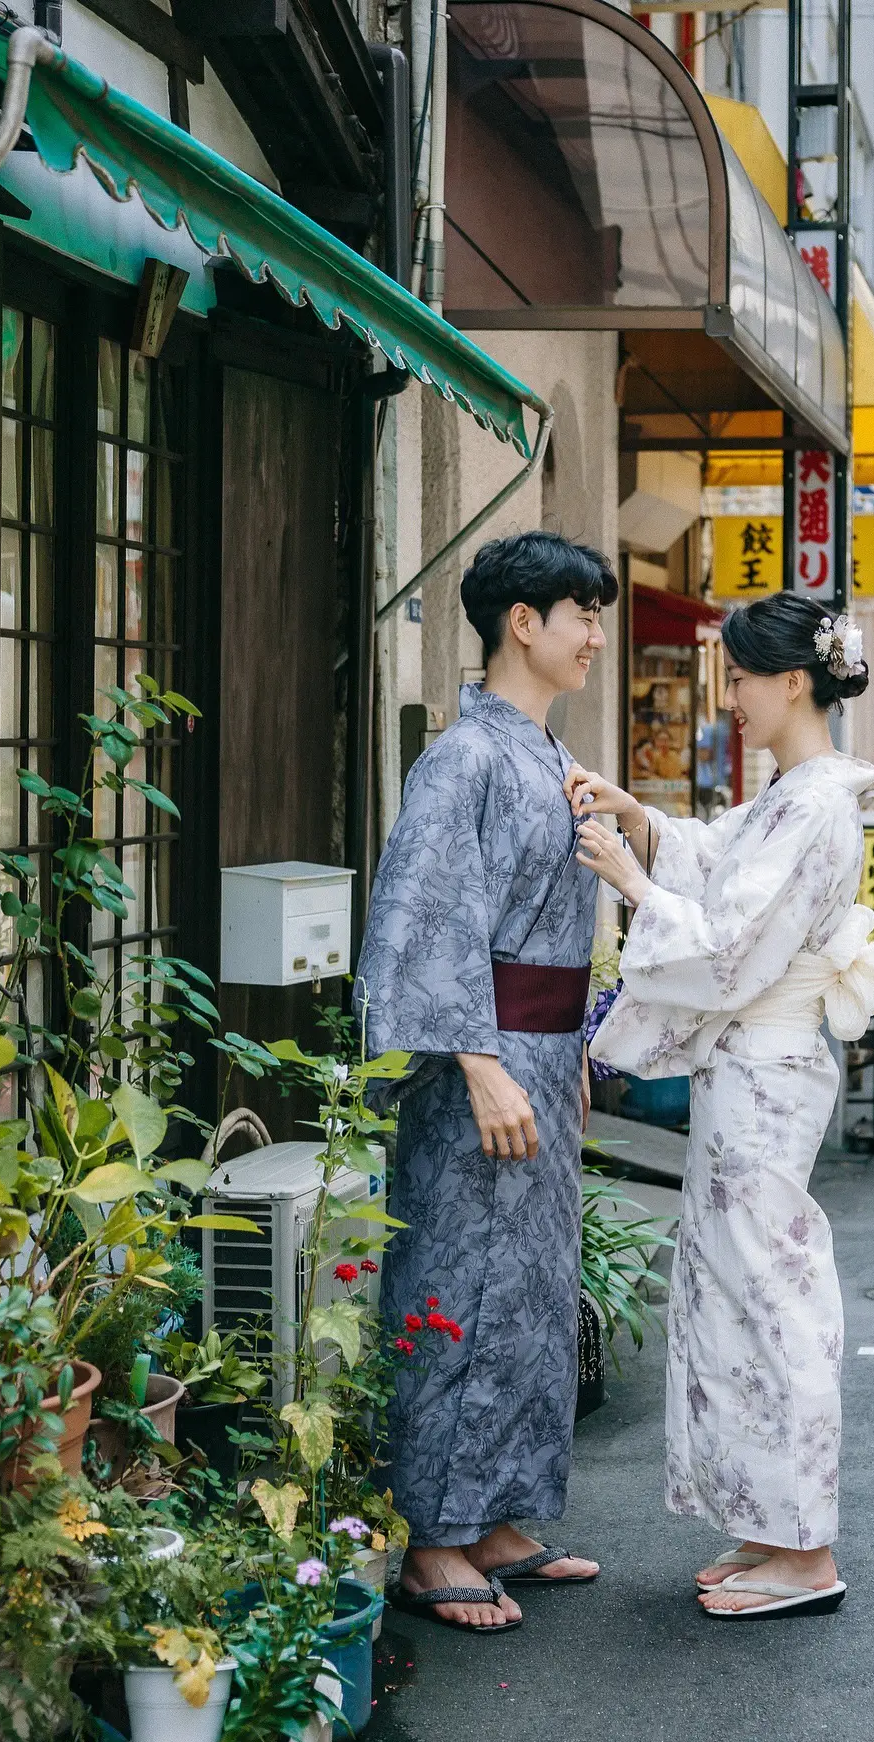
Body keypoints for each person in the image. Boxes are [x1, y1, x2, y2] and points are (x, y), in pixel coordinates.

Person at [567, 592, 874, 1620]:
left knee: (769, 1291)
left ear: (793, 681)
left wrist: (633, 879)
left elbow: (729, 945)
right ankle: (770, 1526)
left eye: (745, 678)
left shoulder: (815, 803)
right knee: (737, 1285)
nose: (735, 699)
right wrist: (642, 821)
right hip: (753, 1067)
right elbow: (721, 859)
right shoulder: (798, 795)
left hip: (766, 1065)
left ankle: (805, 1552)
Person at [353, 531, 613, 1634]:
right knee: (457, 1279)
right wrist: (479, 1061)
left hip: (538, 1053)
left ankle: (496, 1512)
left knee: (531, 1288)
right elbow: (428, 919)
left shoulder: (547, 753)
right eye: (582, 614)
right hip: (484, 1063)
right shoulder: (464, 758)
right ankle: (433, 1535)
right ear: (522, 622)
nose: (594, 635)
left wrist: (570, 1050)